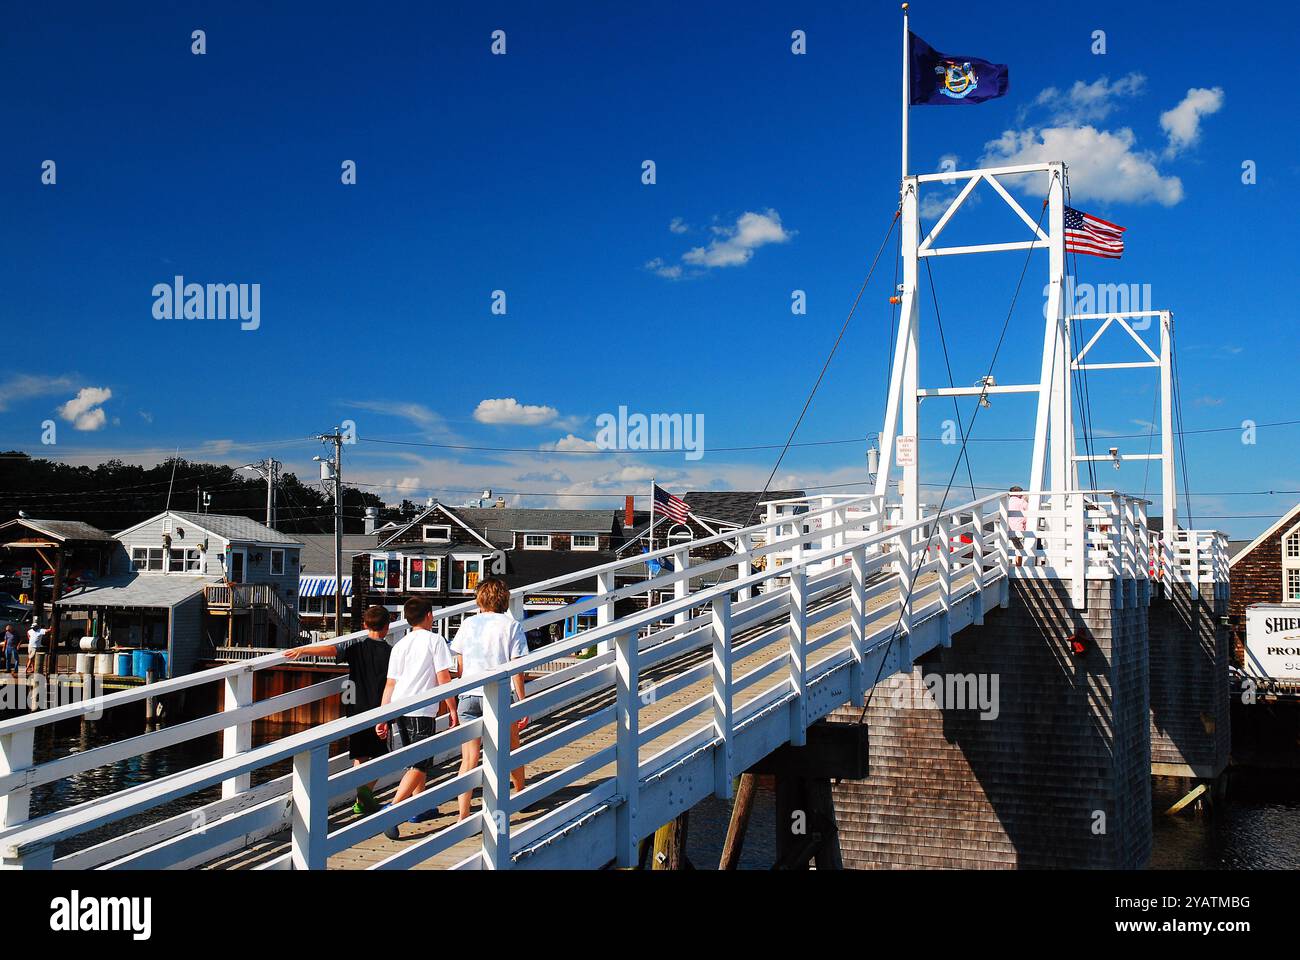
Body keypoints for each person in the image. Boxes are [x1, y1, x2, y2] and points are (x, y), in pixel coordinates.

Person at [285, 605, 395, 815]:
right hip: (379, 709)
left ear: (364, 625)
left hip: (355, 710)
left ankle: (362, 800)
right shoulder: (391, 653)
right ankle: (363, 798)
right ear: (387, 627)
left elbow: (331, 650)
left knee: (360, 756)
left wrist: (304, 650)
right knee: (383, 758)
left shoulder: (355, 649)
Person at [376, 596, 458, 840]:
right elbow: (444, 677)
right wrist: (452, 708)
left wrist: (383, 715)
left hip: (399, 707)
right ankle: (394, 809)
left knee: (415, 759)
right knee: (420, 763)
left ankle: (418, 807)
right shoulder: (435, 641)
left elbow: (391, 683)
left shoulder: (400, 644)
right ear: (430, 616)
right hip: (421, 709)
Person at [451, 577, 529, 822]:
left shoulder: (468, 624)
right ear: (504, 599)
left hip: (469, 695)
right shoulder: (511, 625)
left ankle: (463, 813)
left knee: (469, 758)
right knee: (510, 747)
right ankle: (520, 794)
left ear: (480, 599)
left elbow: (460, 666)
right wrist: (522, 701)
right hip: (497, 695)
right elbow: (517, 668)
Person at [1008, 485, 1029, 567]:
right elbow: (1029, 510)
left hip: (1009, 528)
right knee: (1019, 549)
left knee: (1016, 547)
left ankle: (1015, 565)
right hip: (1019, 529)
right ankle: (1018, 566)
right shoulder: (1022, 502)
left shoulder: (1007, 502)